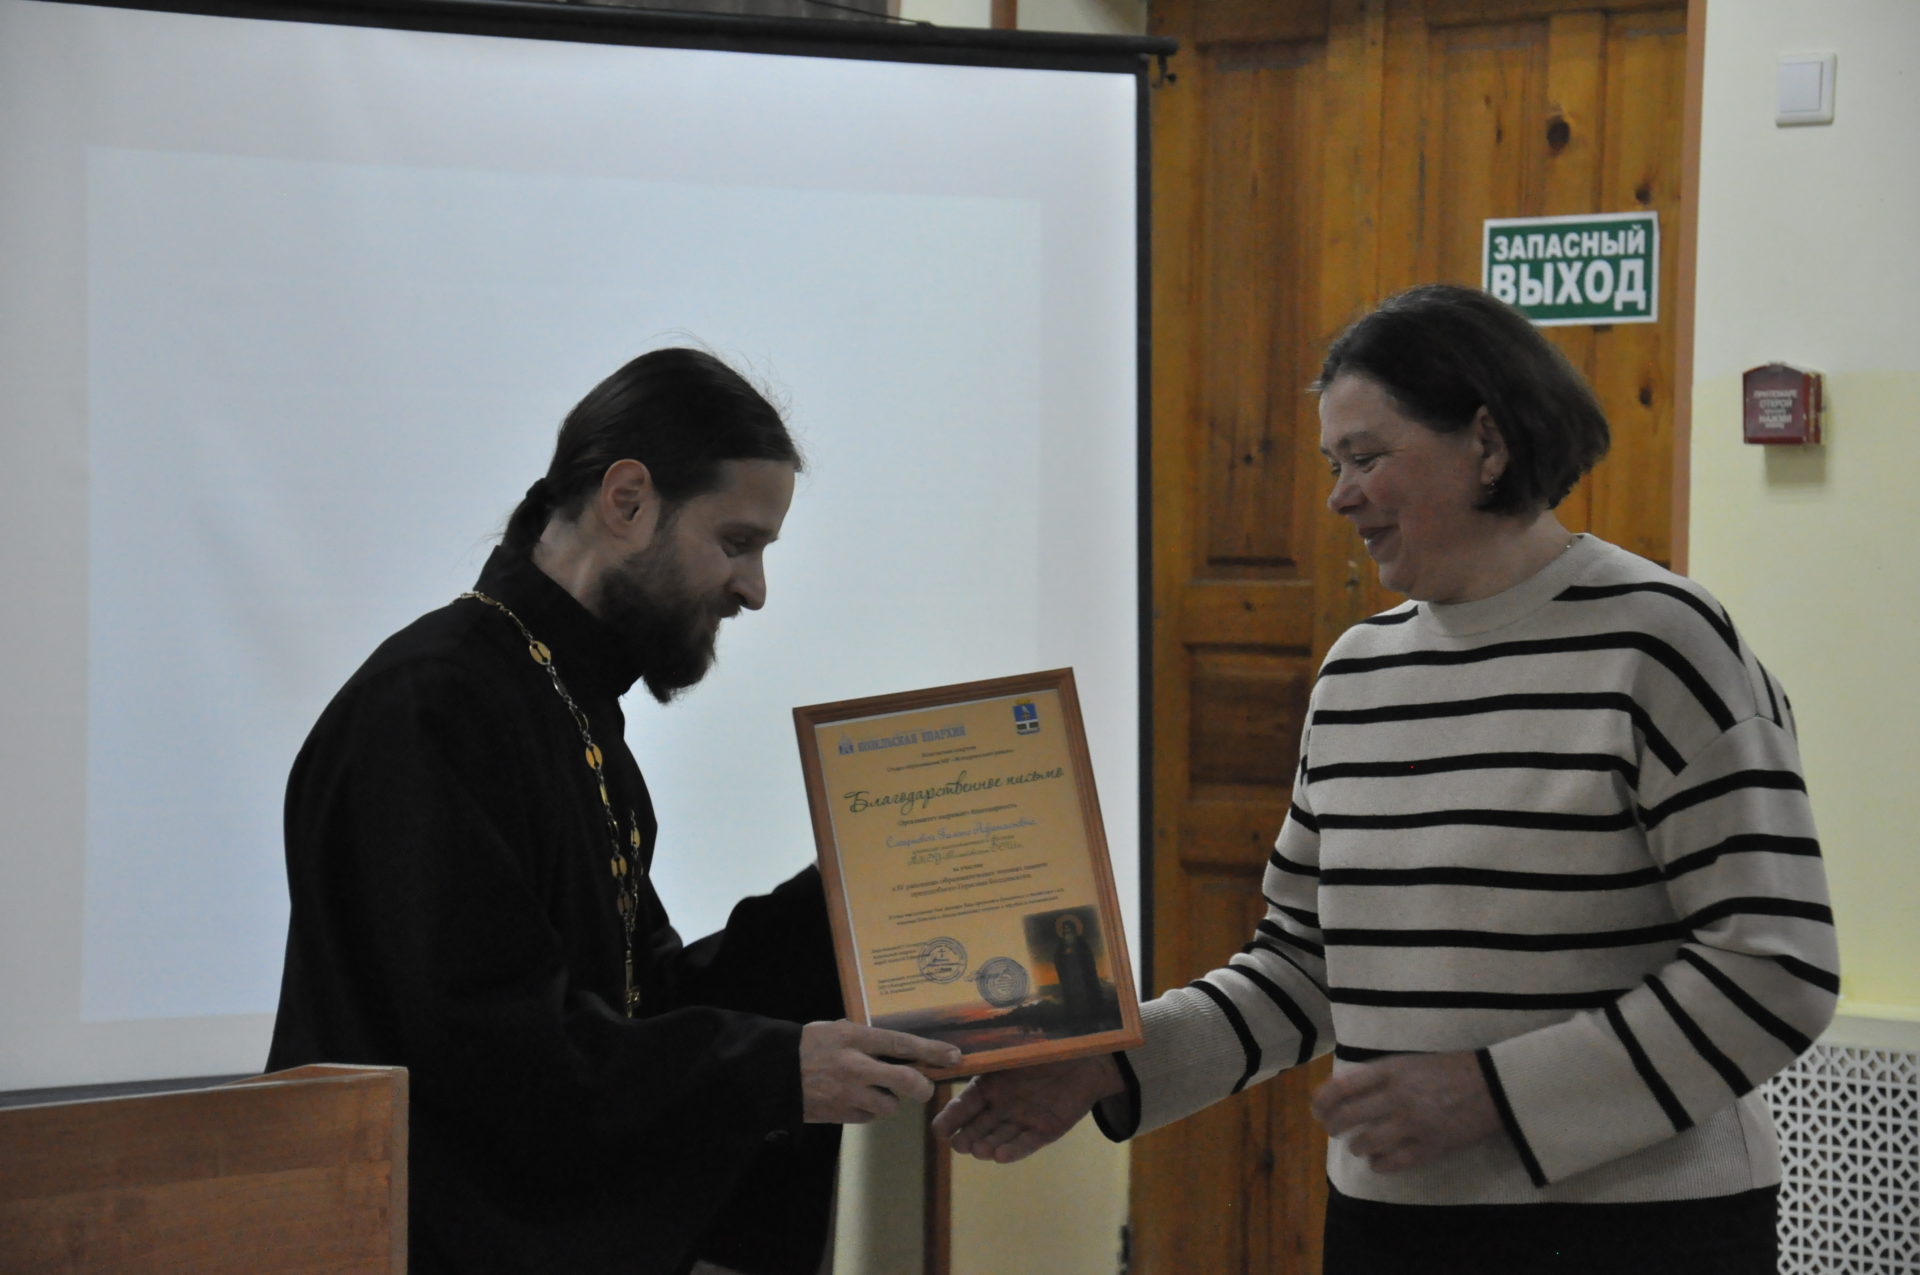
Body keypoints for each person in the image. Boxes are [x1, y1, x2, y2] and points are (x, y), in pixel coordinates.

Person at [933, 285, 1839, 1273]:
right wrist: (1110, 1065)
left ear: (1487, 444)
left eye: (1367, 457)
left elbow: (1774, 966)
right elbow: (1304, 967)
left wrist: (1494, 1094)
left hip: (1644, 1232)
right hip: (1393, 1227)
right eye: (1334, 464)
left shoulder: (1663, 643)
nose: (1339, 496)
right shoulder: (1357, 675)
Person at [268, 347, 960, 1275]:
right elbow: (492, 1048)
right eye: (738, 542)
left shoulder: (565, 700)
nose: (754, 589)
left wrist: (855, 891)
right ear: (627, 500)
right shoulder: (432, 705)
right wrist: (769, 1069)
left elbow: (638, 1004)